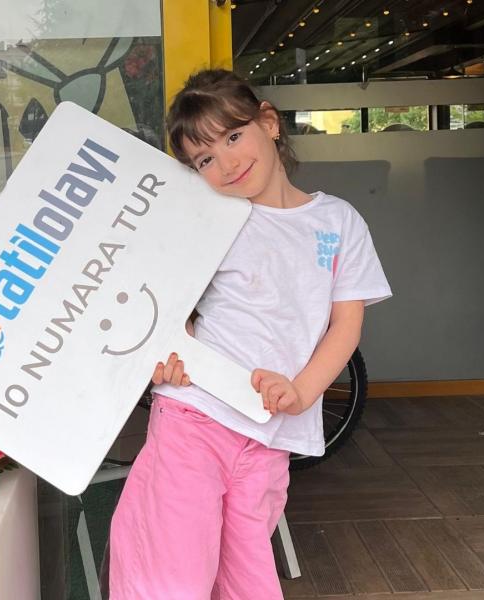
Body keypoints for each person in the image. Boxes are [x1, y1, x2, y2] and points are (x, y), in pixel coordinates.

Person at [108, 69, 392, 599]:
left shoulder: (339, 222)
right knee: (172, 572)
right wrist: (168, 350)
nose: (227, 163)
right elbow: (165, 302)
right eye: (204, 159)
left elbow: (346, 323)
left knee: (247, 577)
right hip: (195, 415)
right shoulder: (209, 218)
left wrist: (302, 391)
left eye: (234, 136)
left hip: (271, 432)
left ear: (269, 123)